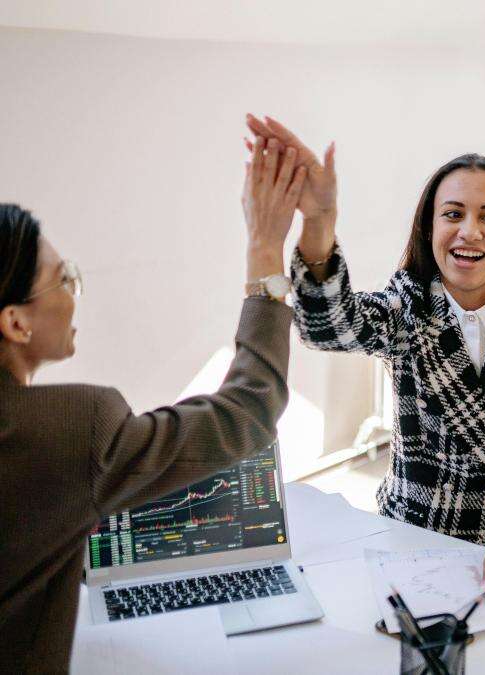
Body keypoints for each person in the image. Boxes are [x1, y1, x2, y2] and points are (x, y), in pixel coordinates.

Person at [244, 115, 485, 595]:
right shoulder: (407, 306)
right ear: (429, 227)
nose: (469, 231)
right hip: (418, 541)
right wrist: (318, 221)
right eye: (453, 214)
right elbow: (329, 327)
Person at [0, 136, 304, 672]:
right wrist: (264, 248)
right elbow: (248, 410)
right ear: (15, 322)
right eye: (62, 278)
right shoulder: (71, 431)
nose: (74, 290)